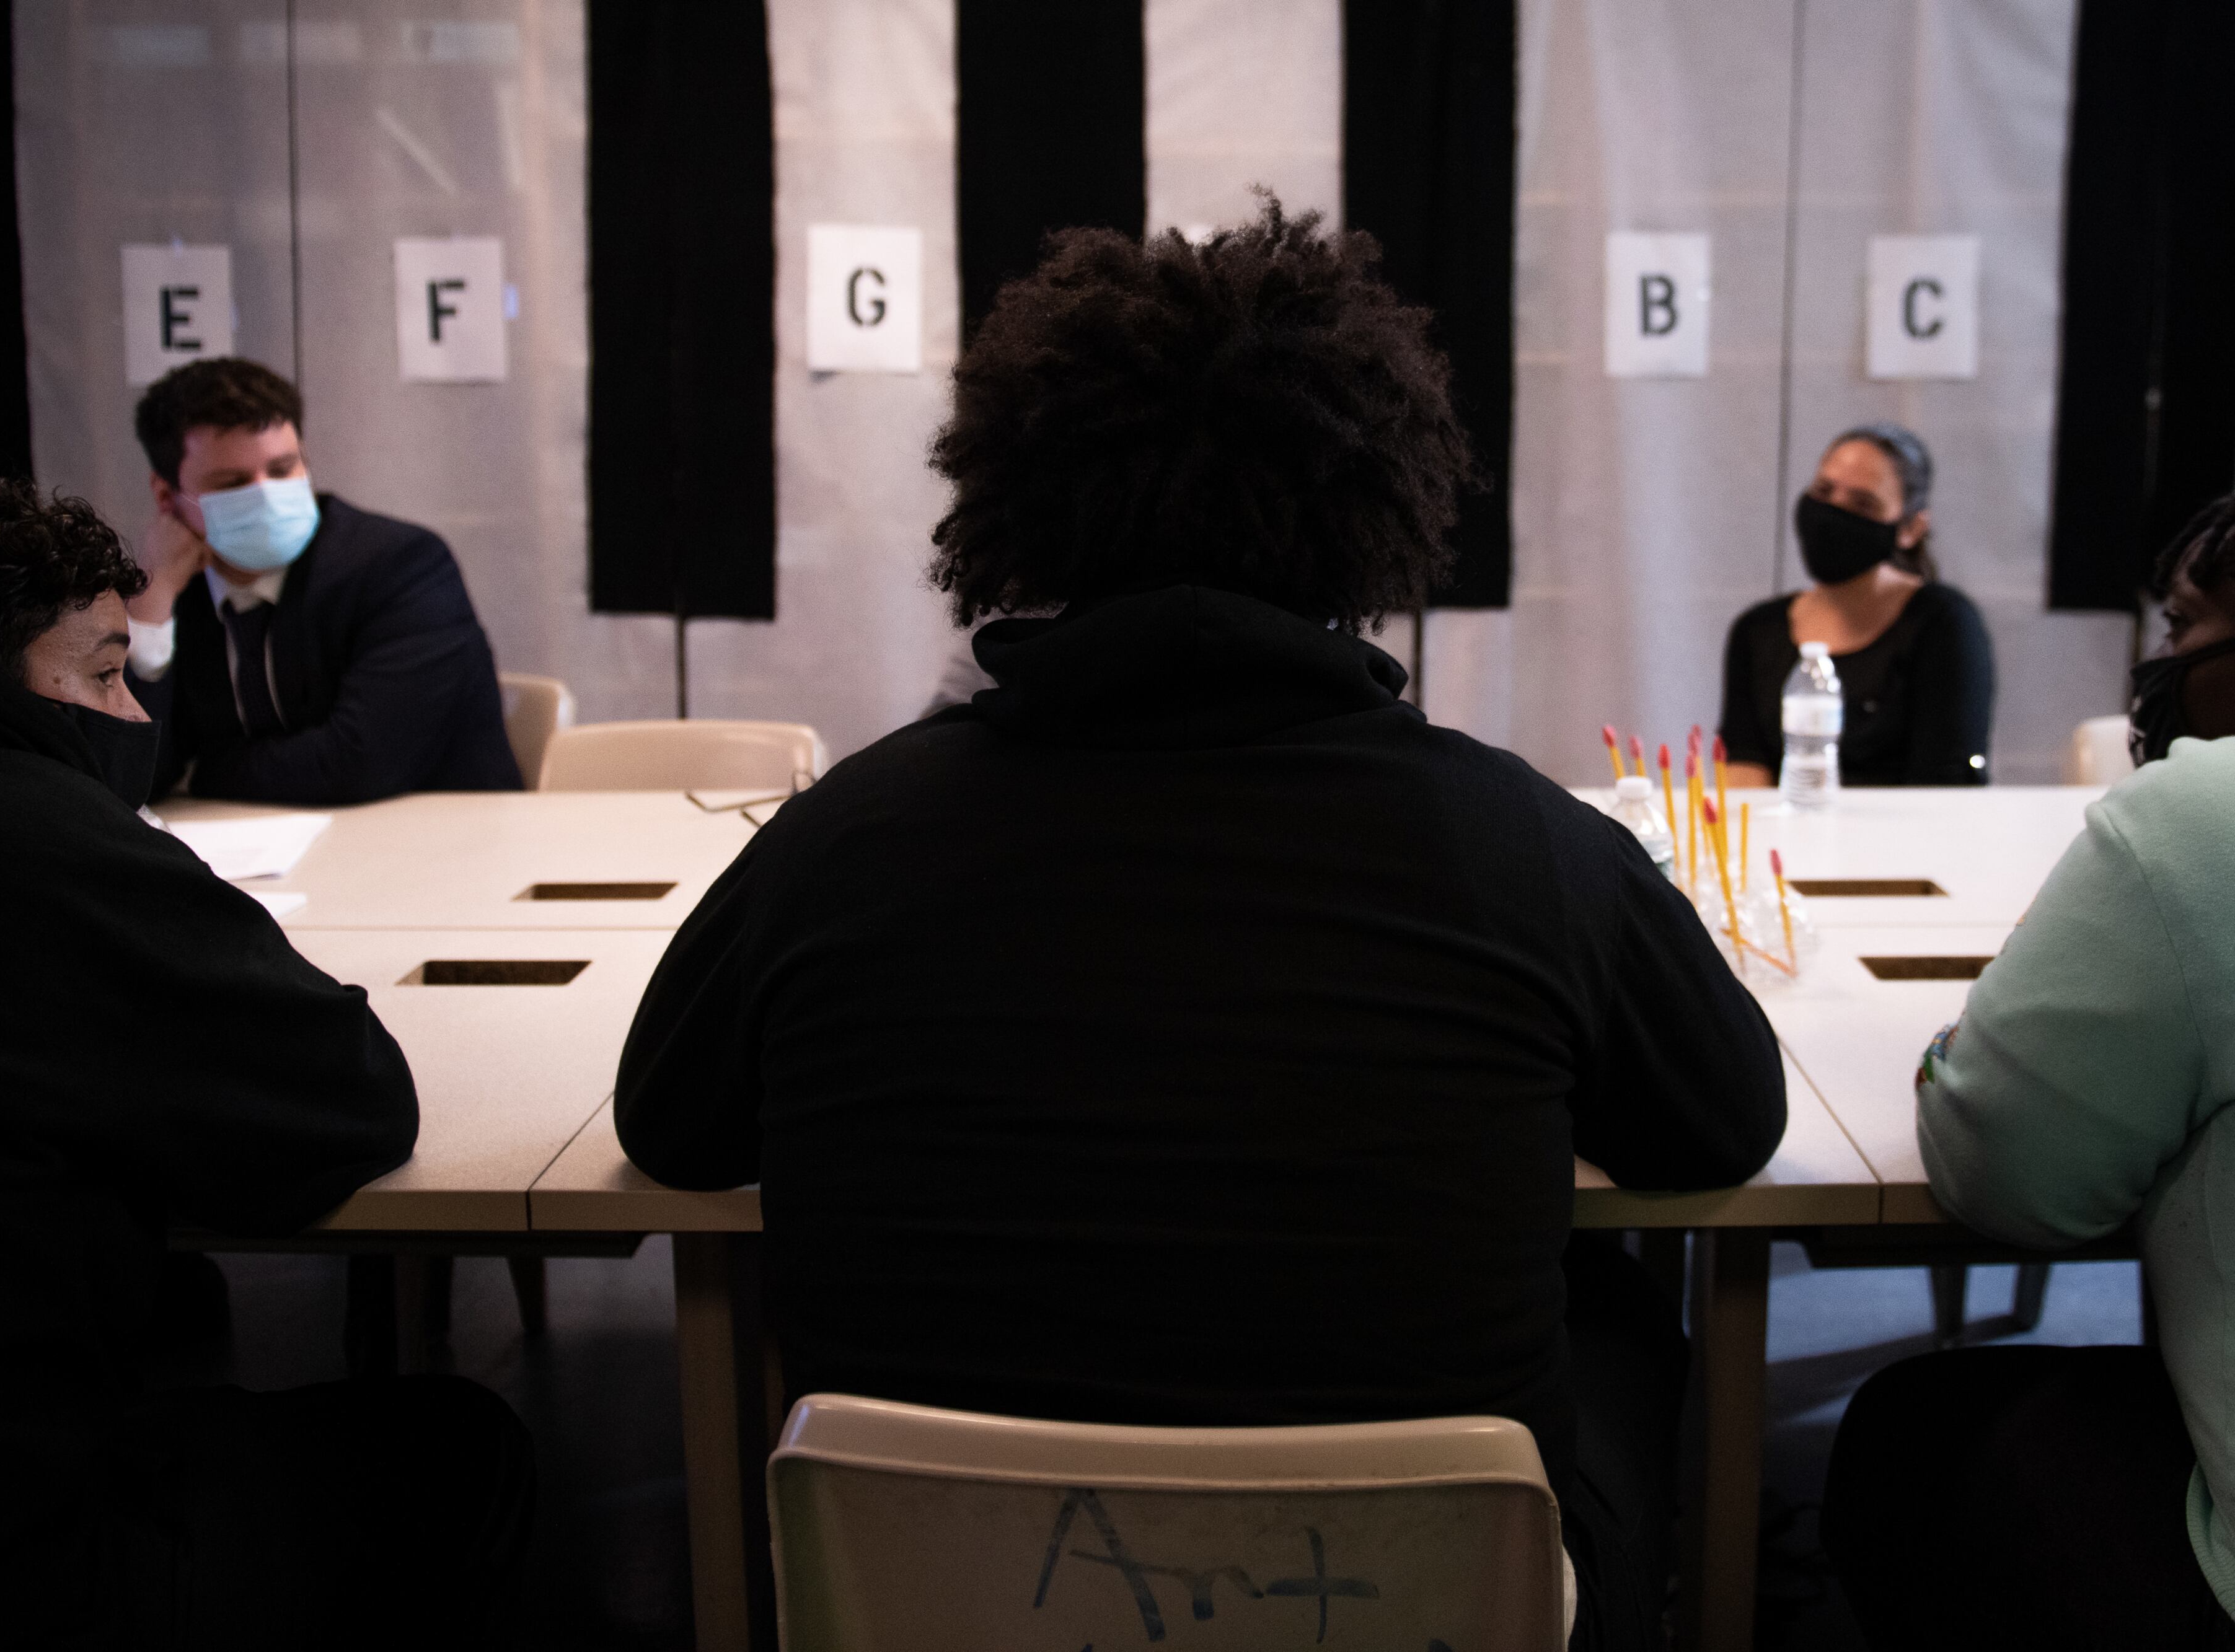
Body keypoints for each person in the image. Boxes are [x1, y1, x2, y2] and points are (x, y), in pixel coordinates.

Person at [615, 204, 1786, 1651]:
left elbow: (670, 1127)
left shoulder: (844, 838)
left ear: (1020, 512)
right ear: (1370, 516)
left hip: (939, 1603)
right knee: (1612, 1321)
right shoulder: (1525, 847)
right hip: (1412, 1615)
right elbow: (1723, 1123)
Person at [0, 472, 531, 1648]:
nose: (131, 718)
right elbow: (349, 1099)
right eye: (106, 673)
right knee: (463, 1448)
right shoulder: (24, 835)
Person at [1821, 493, 2235, 1649]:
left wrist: (1964, 1045)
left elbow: (2010, 1174)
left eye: (2185, 626)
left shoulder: (2198, 818)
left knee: (1909, 1431)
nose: (2163, 660)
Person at [126, 356, 522, 804]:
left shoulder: (401, 565)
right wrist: (151, 605)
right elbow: (132, 775)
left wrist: (204, 770)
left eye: (282, 470)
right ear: (166, 496)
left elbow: (356, 764)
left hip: (446, 844)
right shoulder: (177, 589)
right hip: (253, 856)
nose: (267, 496)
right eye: (233, 482)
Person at [1718, 423, 1995, 788]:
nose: (1833, 513)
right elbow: (1744, 770)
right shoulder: (1757, 629)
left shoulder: (1943, 623)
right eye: (1824, 491)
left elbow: (1945, 784)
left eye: (1863, 503)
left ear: (1911, 528)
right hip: (1787, 837)